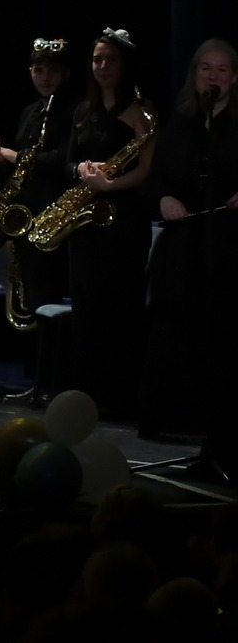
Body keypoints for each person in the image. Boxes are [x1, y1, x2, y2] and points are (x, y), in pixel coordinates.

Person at [138, 38, 237, 440]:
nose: (213, 76)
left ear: (234, 78)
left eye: (222, 69)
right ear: (194, 75)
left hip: (226, 245)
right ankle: (173, 420)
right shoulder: (180, 126)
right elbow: (154, 182)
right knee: (174, 328)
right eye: (205, 68)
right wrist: (164, 199)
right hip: (183, 245)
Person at [58, 29, 155, 417]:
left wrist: (110, 184)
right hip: (86, 225)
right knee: (87, 312)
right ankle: (88, 397)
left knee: (120, 310)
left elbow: (146, 169)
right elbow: (67, 162)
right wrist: (81, 170)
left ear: (124, 65)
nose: (102, 66)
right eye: (97, 59)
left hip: (124, 222)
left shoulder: (141, 110)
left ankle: (119, 400)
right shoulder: (83, 112)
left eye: (111, 59)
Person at [0, 37, 75, 387]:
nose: (44, 77)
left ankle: (51, 381)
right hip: (26, 213)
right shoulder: (31, 112)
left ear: (66, 73)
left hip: (53, 217)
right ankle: (36, 380)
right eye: (38, 69)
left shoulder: (72, 112)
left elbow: (58, 162)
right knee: (31, 296)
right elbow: (21, 167)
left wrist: (9, 155)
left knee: (47, 297)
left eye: (52, 70)